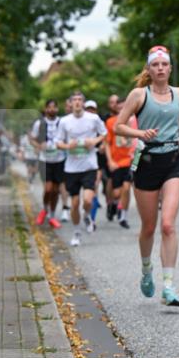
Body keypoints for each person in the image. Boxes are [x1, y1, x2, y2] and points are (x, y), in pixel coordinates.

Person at [115, 45, 179, 307]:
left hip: (173, 160)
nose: (161, 69)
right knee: (149, 227)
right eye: (156, 65)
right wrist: (139, 134)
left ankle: (169, 286)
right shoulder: (139, 95)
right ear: (149, 69)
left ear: (170, 68)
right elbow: (119, 126)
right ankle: (145, 269)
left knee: (168, 225)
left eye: (165, 64)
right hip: (147, 162)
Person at [56, 92, 108, 247]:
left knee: (87, 200)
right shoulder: (64, 121)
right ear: (70, 104)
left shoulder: (93, 118)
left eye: (80, 100)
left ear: (83, 103)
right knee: (74, 203)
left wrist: (94, 141)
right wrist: (67, 146)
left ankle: (87, 216)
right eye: (74, 100)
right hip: (71, 168)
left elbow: (104, 134)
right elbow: (58, 142)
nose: (77, 102)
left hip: (89, 166)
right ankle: (77, 232)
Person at [31, 100, 64, 229]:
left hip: (59, 159)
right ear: (45, 109)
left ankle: (52, 216)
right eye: (49, 107)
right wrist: (39, 146)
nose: (51, 109)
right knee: (48, 188)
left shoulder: (62, 122)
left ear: (57, 108)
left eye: (54, 107)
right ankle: (44, 209)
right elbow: (32, 138)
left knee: (56, 190)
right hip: (44, 160)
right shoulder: (39, 123)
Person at [105, 96, 136, 229]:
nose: (123, 109)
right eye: (120, 107)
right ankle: (113, 203)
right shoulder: (111, 122)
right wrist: (110, 161)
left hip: (130, 160)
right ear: (116, 108)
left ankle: (123, 216)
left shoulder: (134, 121)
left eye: (125, 107)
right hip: (116, 162)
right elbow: (107, 143)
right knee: (117, 192)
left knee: (127, 188)